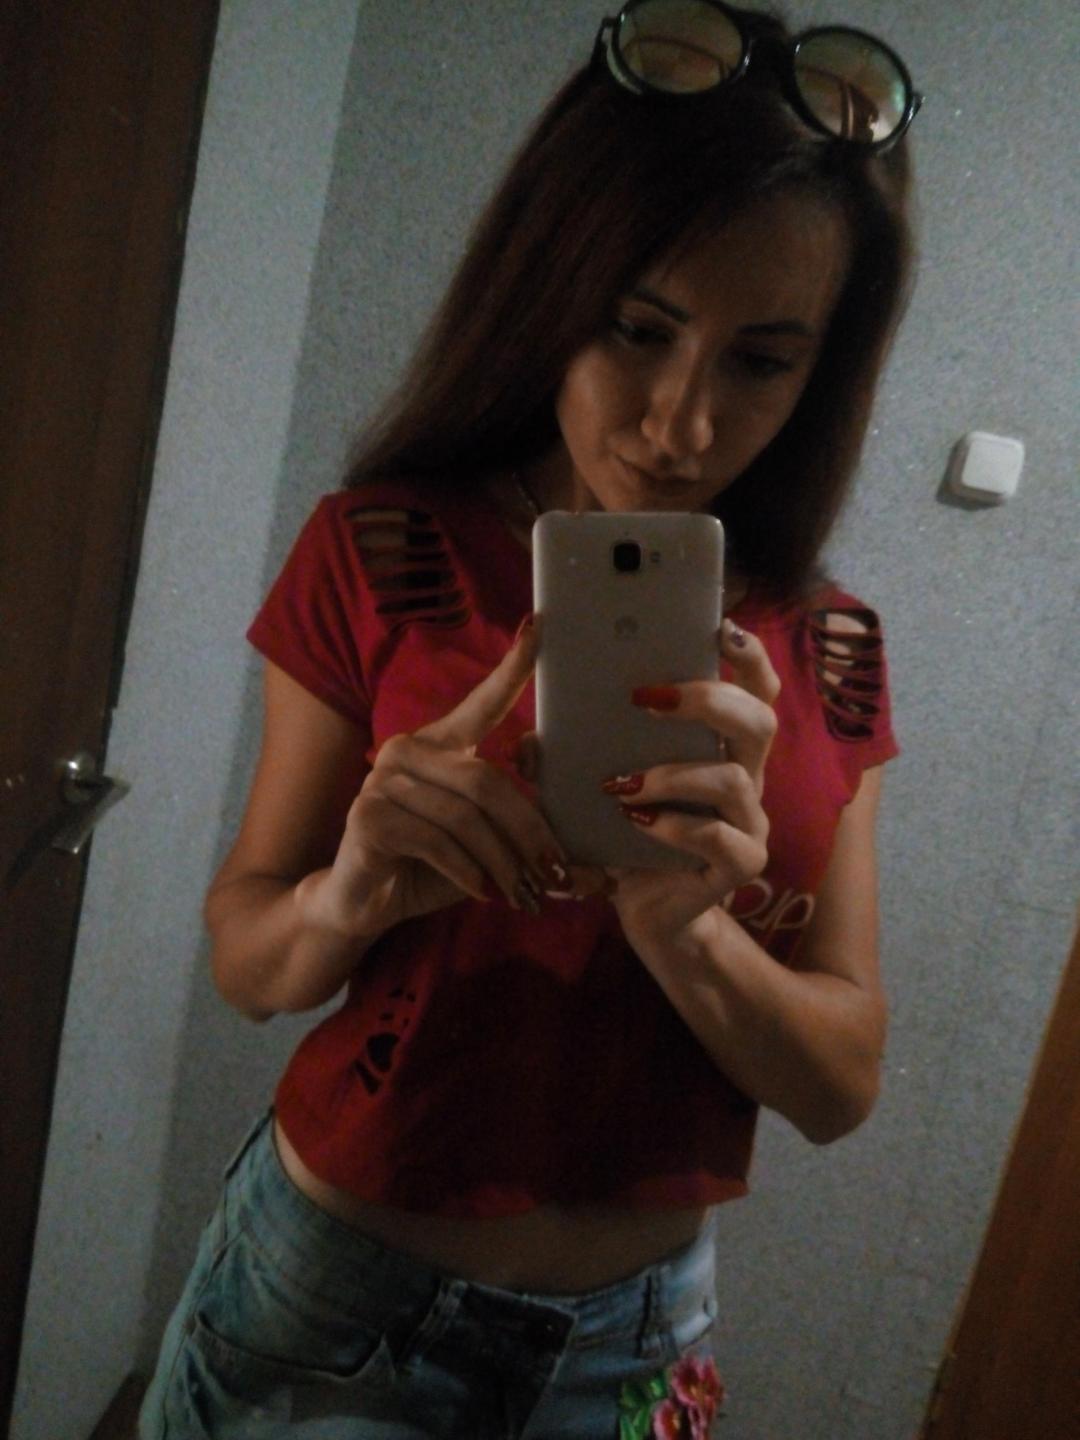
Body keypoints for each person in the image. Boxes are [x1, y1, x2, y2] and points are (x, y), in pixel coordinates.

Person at [139, 3, 919, 1435]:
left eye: (760, 360)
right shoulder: (383, 552)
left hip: (643, 1338)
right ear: (550, 289)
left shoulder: (831, 646)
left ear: (823, 370)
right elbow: (252, 964)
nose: (679, 425)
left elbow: (841, 1083)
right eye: (640, 328)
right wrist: (351, 894)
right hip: (342, 1302)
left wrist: (685, 933)